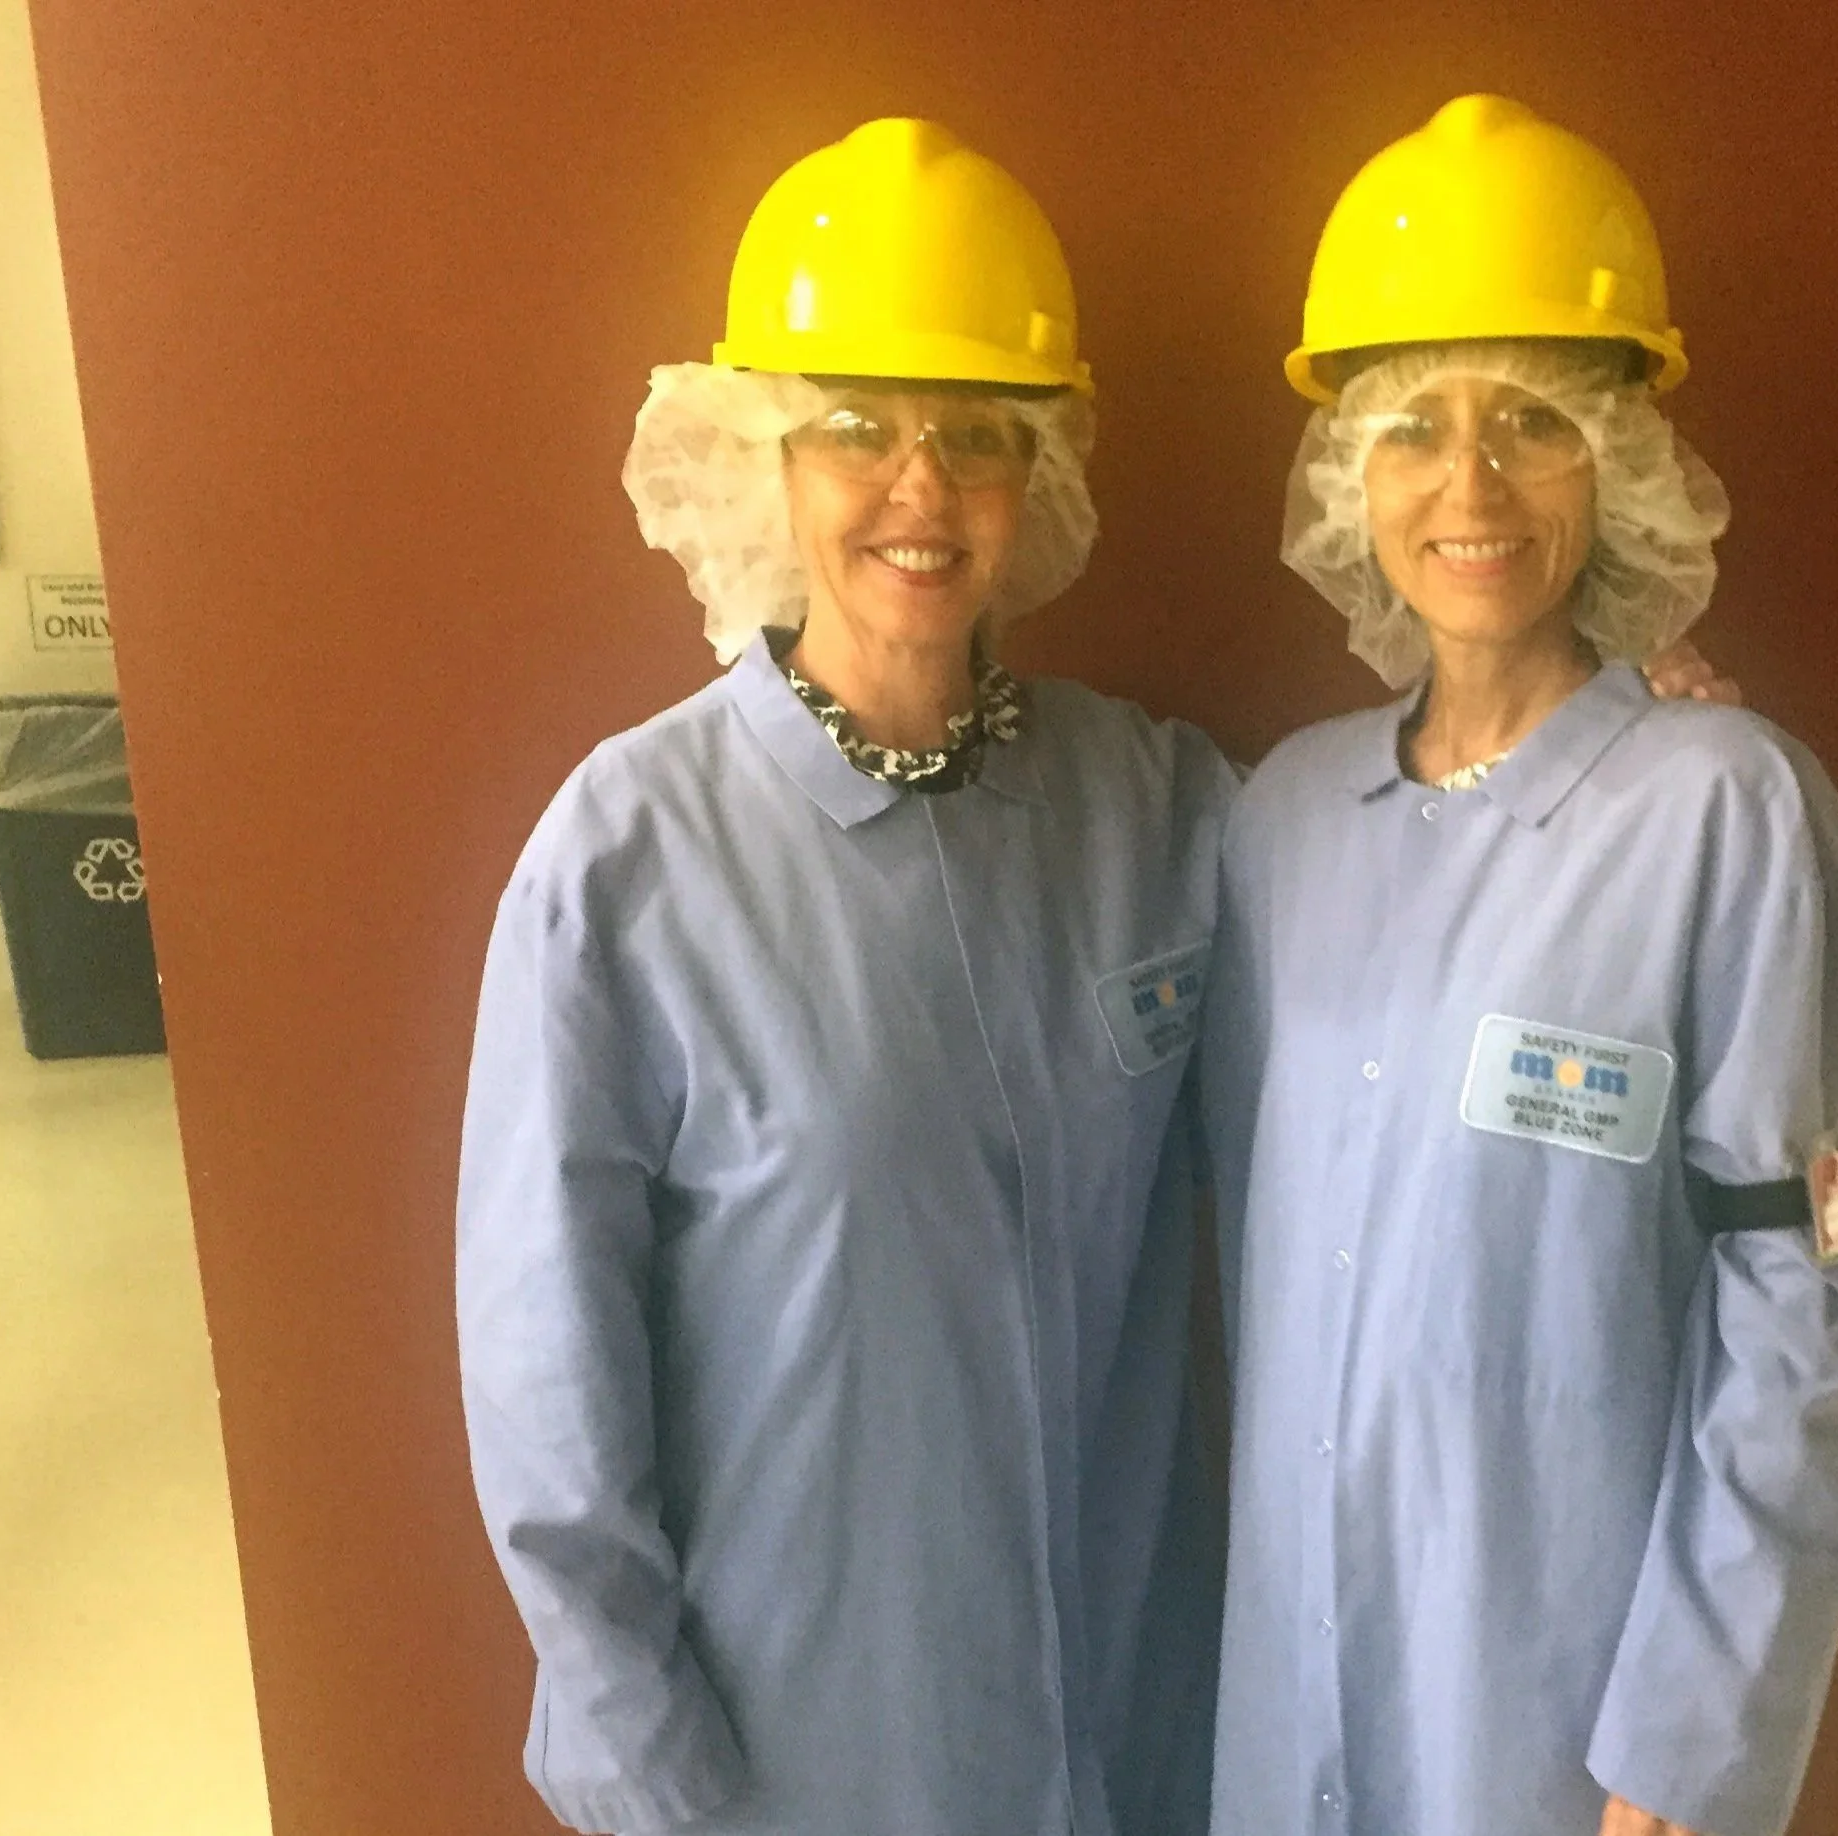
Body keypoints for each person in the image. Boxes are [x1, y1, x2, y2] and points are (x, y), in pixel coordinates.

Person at [455, 119, 1234, 1836]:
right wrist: (646, 1760)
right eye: (856, 431)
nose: (920, 488)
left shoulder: (1155, 808)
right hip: (807, 1751)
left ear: (1041, 477)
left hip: (1135, 1722)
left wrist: (1605, 756)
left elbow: (1398, 928)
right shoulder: (630, 855)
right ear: (761, 466)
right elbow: (545, 1367)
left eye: (976, 435)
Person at [1201, 96, 1838, 1836]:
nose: (1470, 484)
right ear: (1345, 479)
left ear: (1623, 463)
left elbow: (1809, 1294)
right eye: (1413, 428)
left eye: (1532, 420)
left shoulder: (1726, 810)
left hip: (1573, 1736)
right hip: (1285, 1709)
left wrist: (1692, 1735)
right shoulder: (1280, 823)